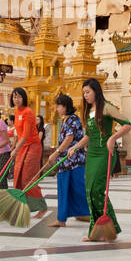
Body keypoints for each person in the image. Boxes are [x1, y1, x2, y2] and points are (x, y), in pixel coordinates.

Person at [73, 79, 131, 241]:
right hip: (91, 154)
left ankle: (109, 227)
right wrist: (75, 147)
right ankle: (97, 230)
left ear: (96, 91)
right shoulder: (89, 111)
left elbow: (127, 124)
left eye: (88, 92)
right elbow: (88, 136)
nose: (85, 96)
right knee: (89, 191)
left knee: (97, 190)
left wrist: (113, 138)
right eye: (84, 93)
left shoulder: (107, 108)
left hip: (104, 153)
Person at [43, 93, 89, 227]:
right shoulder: (64, 120)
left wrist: (56, 153)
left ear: (65, 106)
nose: (57, 109)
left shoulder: (73, 119)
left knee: (78, 188)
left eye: (59, 106)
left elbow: (69, 138)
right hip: (65, 161)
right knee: (63, 188)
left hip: (74, 160)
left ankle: (86, 213)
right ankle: (61, 218)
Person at [9, 88, 44, 214]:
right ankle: (21, 206)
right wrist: (14, 148)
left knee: (28, 178)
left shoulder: (28, 112)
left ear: (24, 98)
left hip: (33, 146)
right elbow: (18, 133)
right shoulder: (17, 111)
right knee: (18, 176)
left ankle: (41, 207)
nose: (16, 99)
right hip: (22, 147)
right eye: (14, 97)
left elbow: (26, 134)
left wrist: (16, 149)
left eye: (18, 97)